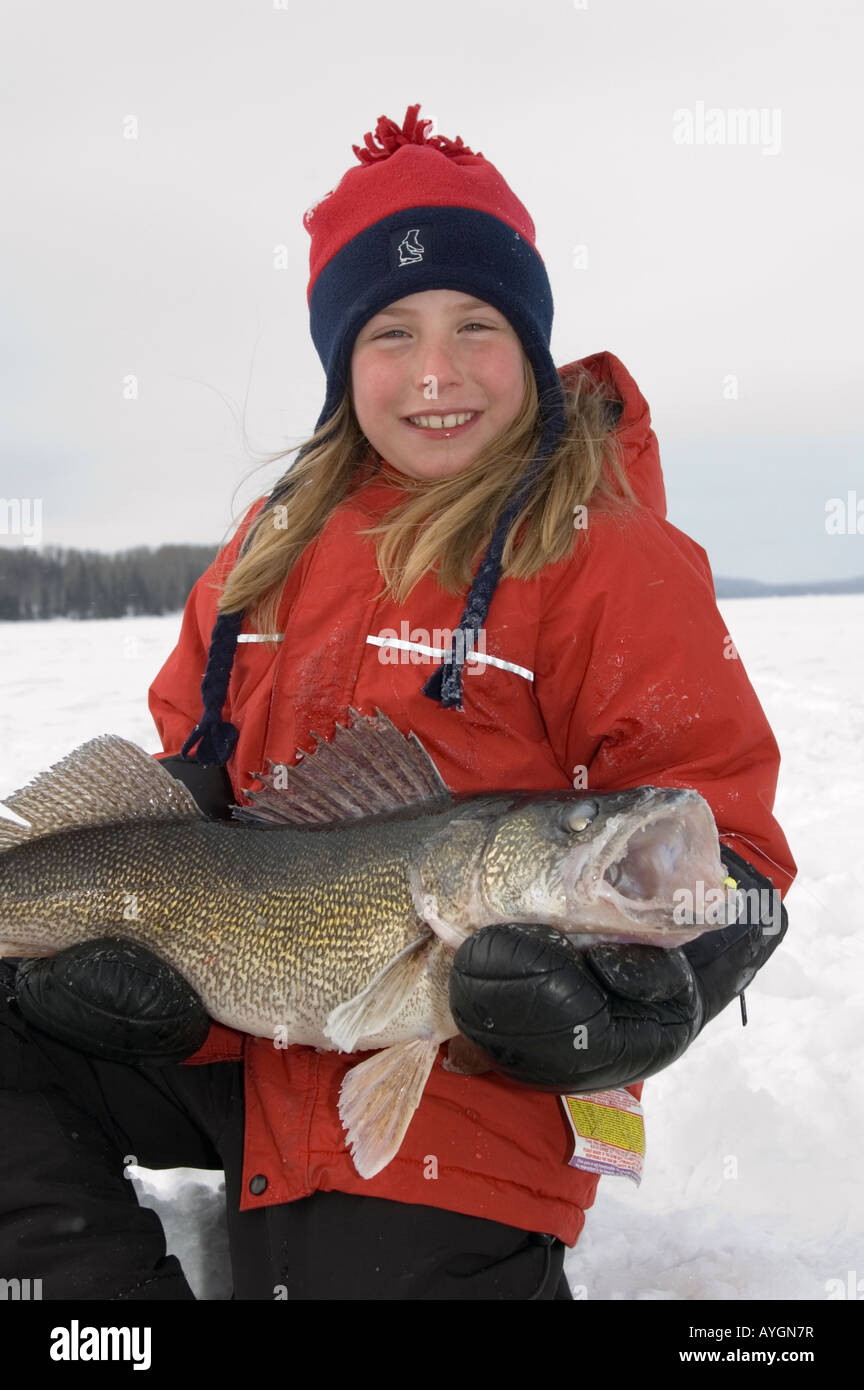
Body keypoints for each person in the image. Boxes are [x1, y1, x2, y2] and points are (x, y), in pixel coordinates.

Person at [0, 104, 795, 1301]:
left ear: (529, 344)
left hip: (474, 1087)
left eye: (478, 325)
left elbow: (731, 853)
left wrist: (645, 1003)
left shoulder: (607, 556)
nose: (437, 370)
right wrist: (148, 899)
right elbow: (187, 774)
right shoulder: (267, 548)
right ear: (340, 362)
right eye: (391, 331)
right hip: (231, 1032)